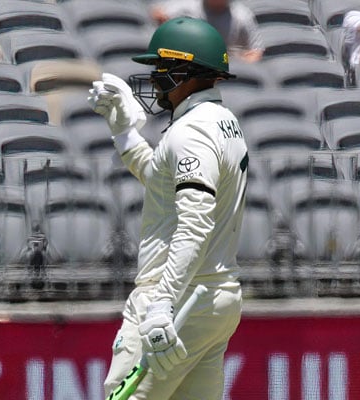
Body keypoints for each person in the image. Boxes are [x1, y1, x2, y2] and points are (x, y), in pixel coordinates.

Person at [89, 17, 248, 399]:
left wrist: (161, 302)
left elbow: (194, 224)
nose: (156, 78)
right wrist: (125, 132)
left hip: (179, 300)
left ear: (186, 72)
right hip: (215, 299)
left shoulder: (192, 131)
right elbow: (164, 184)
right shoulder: (222, 121)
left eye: (162, 68)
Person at [150, 0, 264, 63]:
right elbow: (158, 13)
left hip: (224, 66)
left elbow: (255, 51)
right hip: (188, 61)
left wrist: (240, 63)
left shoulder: (241, 15)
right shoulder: (188, 5)